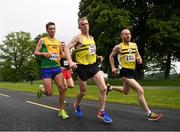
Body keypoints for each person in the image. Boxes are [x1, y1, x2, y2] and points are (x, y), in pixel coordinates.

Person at [64, 17, 112, 124]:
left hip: (93, 66)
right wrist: (71, 62)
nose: (85, 26)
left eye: (87, 24)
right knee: (83, 92)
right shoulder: (78, 38)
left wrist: (97, 57)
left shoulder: (92, 38)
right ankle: (76, 104)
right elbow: (66, 48)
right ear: (79, 27)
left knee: (103, 88)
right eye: (83, 24)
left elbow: (90, 52)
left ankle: (102, 112)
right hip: (82, 68)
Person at [108, 28, 163, 121]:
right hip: (124, 71)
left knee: (126, 91)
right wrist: (113, 67)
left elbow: (138, 55)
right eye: (125, 34)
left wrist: (139, 59)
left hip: (132, 72)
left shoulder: (134, 45)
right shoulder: (119, 47)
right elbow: (111, 56)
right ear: (121, 36)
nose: (128, 35)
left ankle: (110, 88)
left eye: (129, 34)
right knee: (140, 90)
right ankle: (149, 114)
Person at [34, 22, 69, 119]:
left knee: (63, 88)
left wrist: (68, 57)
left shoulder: (58, 42)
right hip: (46, 69)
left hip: (56, 68)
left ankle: (61, 111)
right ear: (47, 30)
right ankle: (41, 88)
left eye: (54, 28)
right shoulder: (43, 40)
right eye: (50, 28)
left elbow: (61, 55)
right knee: (49, 93)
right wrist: (44, 54)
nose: (52, 30)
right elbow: (36, 52)